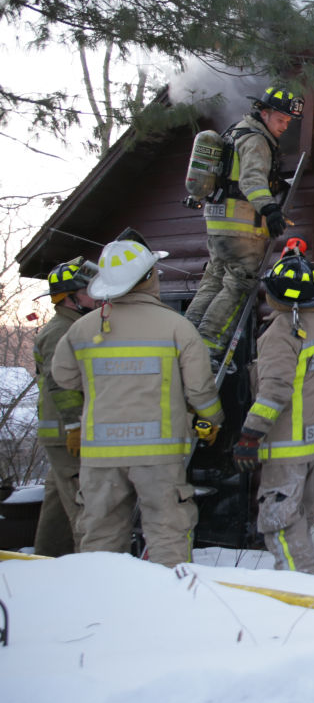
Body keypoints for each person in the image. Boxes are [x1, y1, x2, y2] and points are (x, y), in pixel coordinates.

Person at [51, 232, 223, 567]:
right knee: (168, 536)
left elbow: (64, 378)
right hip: (158, 456)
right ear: (148, 277)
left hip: (100, 455)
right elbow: (200, 389)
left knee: (99, 539)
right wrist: (211, 420)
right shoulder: (177, 327)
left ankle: (102, 611)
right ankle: (165, 608)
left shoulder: (83, 329)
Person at [233, 243, 314, 575]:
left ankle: (303, 588)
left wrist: (250, 435)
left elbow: (274, 391)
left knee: (281, 525)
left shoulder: (281, 333)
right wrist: (294, 260)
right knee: (301, 517)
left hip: (287, 445)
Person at [185, 86, 303, 366]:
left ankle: (186, 340)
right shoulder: (256, 140)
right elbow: (251, 180)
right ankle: (207, 348)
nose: (284, 126)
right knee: (239, 284)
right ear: (264, 113)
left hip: (217, 222)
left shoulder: (235, 131)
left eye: (288, 122)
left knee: (213, 282)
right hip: (240, 226)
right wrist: (270, 209)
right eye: (280, 120)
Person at [31, 259, 97, 556]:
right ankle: (89, 568)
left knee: (58, 505)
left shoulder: (73, 326)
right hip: (66, 433)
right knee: (83, 508)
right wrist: (75, 426)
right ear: (70, 298)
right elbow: (62, 384)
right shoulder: (62, 332)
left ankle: (47, 559)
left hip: (63, 432)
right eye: (89, 290)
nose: (96, 296)